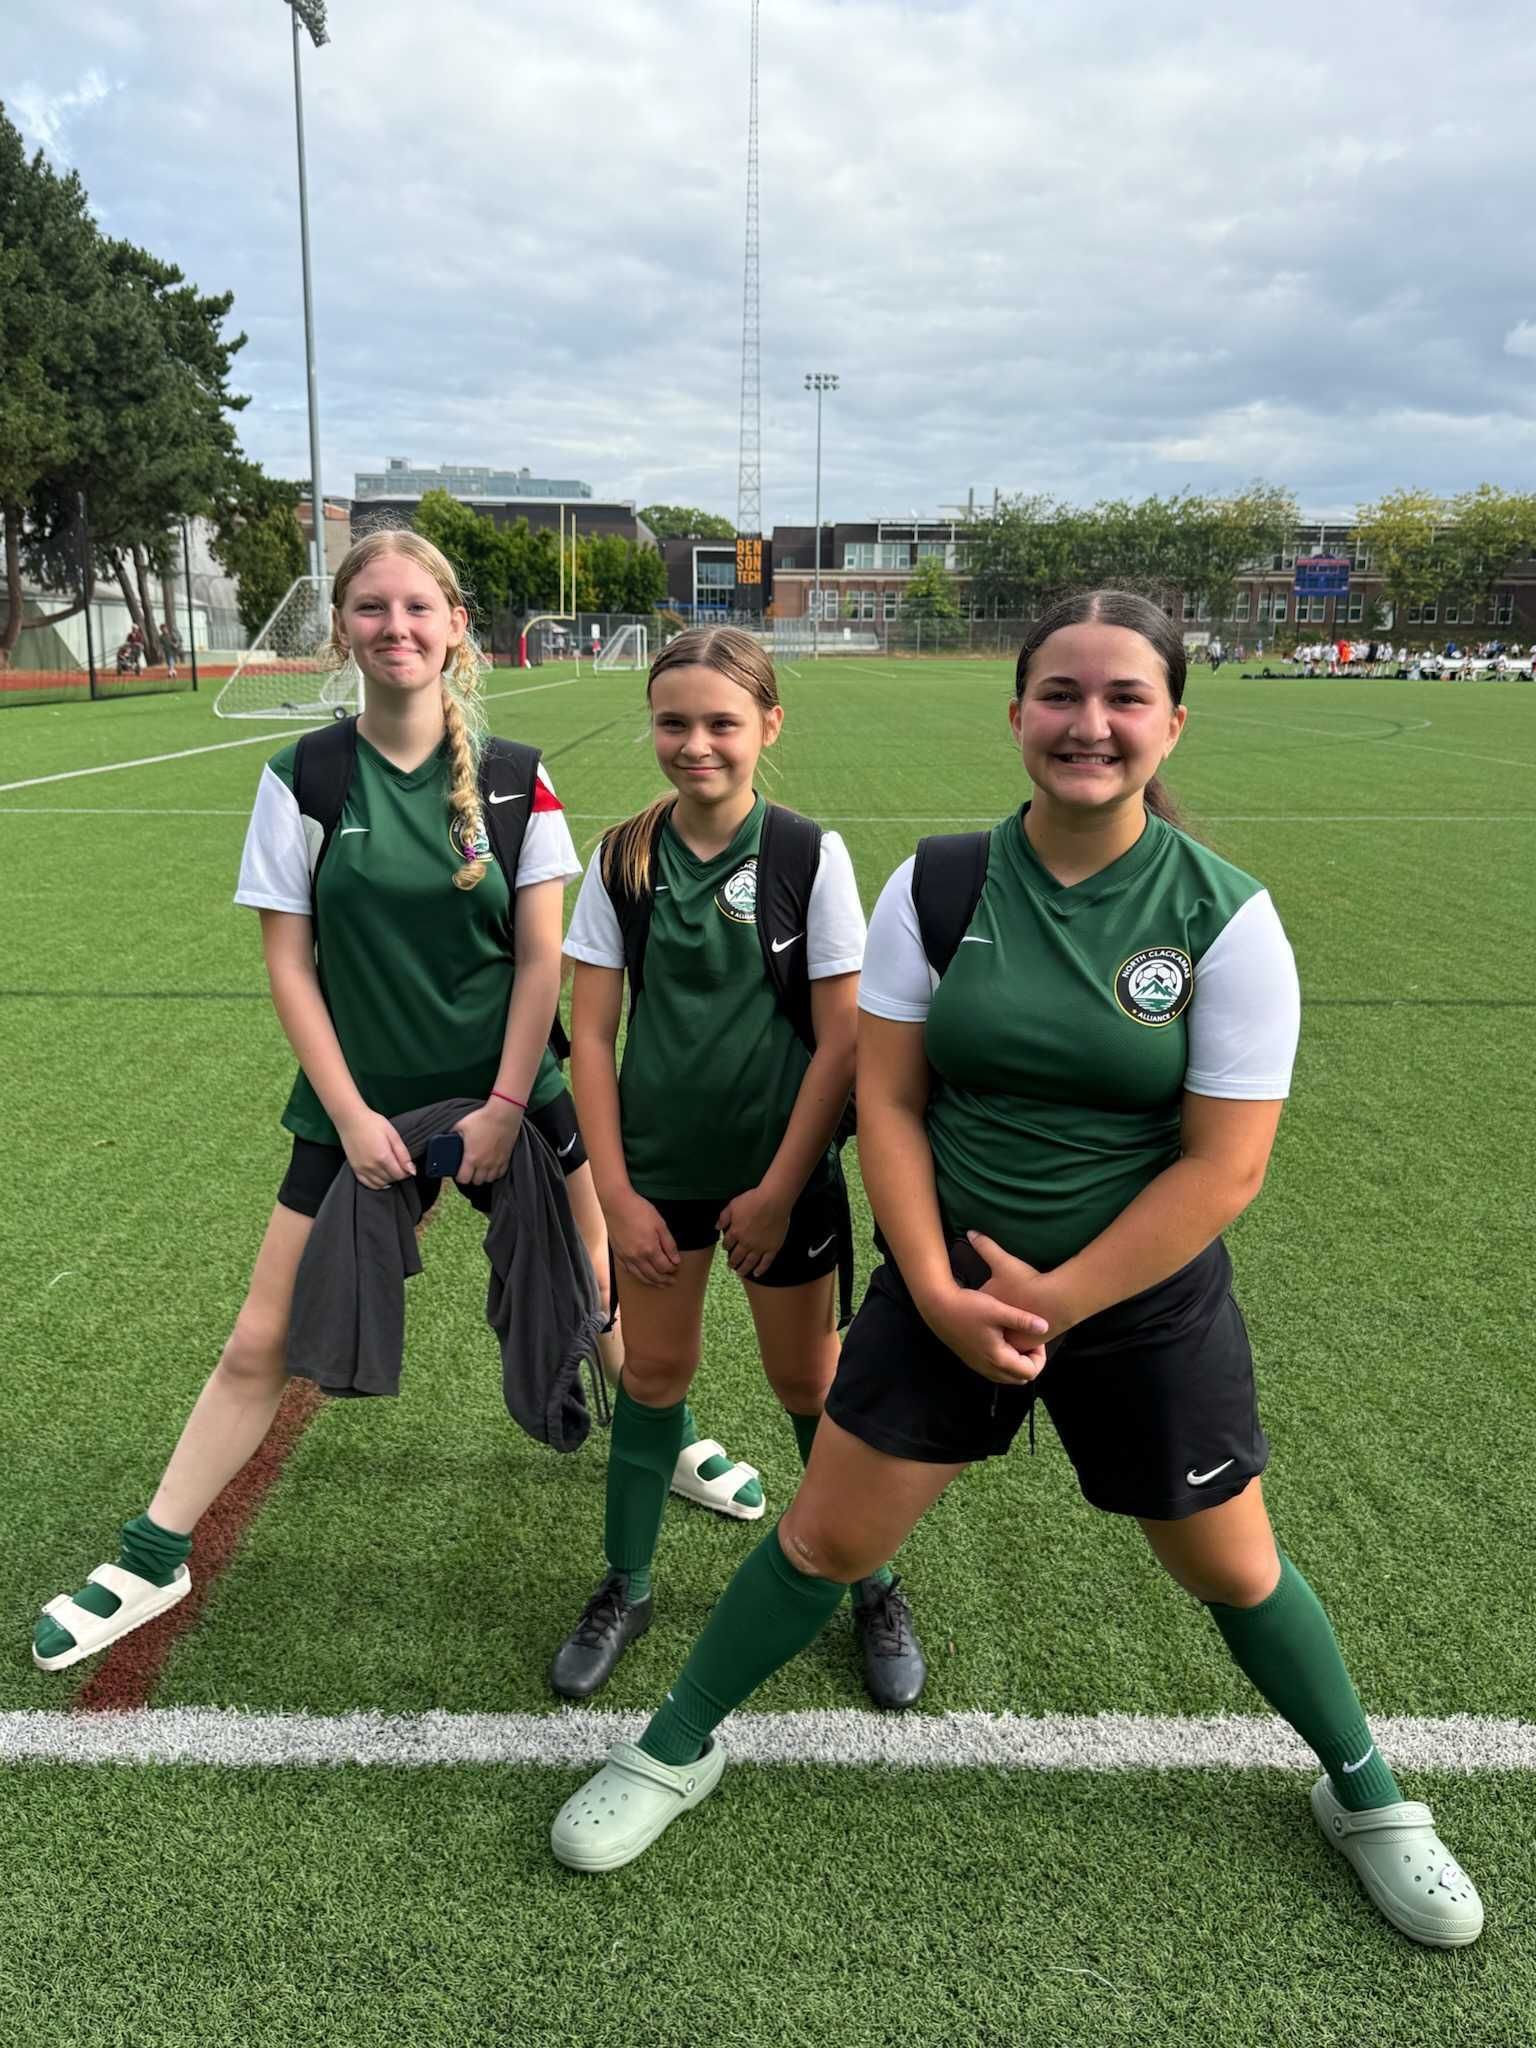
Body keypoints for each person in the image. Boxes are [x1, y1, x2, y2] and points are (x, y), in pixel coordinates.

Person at [549, 589, 1484, 1951]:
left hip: (1140, 1305)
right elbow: (893, 1102)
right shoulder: (939, 882)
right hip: (941, 1288)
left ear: (1171, 722)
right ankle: (674, 1746)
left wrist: (1053, 1299)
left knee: (1235, 1571)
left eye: (1121, 699)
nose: (1086, 725)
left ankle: (1369, 1797)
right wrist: (932, 1287)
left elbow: (1223, 1171)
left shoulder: (1227, 918)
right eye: (1060, 695)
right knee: (822, 1538)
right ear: (1017, 715)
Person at [31, 529, 752, 1672]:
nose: (397, 627)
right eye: (372, 608)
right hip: (358, 1109)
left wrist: (511, 1104)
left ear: (456, 622)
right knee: (260, 1337)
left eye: (419, 607)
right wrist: (356, 1115)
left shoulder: (521, 776)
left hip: (515, 1093)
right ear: (343, 628)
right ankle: (150, 1554)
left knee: (600, 1289)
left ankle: (673, 1440)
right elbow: (289, 965)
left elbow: (538, 962)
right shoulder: (305, 777)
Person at [550, 625, 925, 1710]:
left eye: (722, 721)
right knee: (655, 1378)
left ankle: (870, 1579)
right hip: (656, 1182)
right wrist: (615, 1195)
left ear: (768, 723)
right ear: (652, 727)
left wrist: (775, 1187)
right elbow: (593, 1036)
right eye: (675, 722)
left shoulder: (810, 854)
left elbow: (842, 1040)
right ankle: (625, 1584)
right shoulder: (622, 855)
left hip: (779, 1182)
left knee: (811, 1383)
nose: (696, 743)